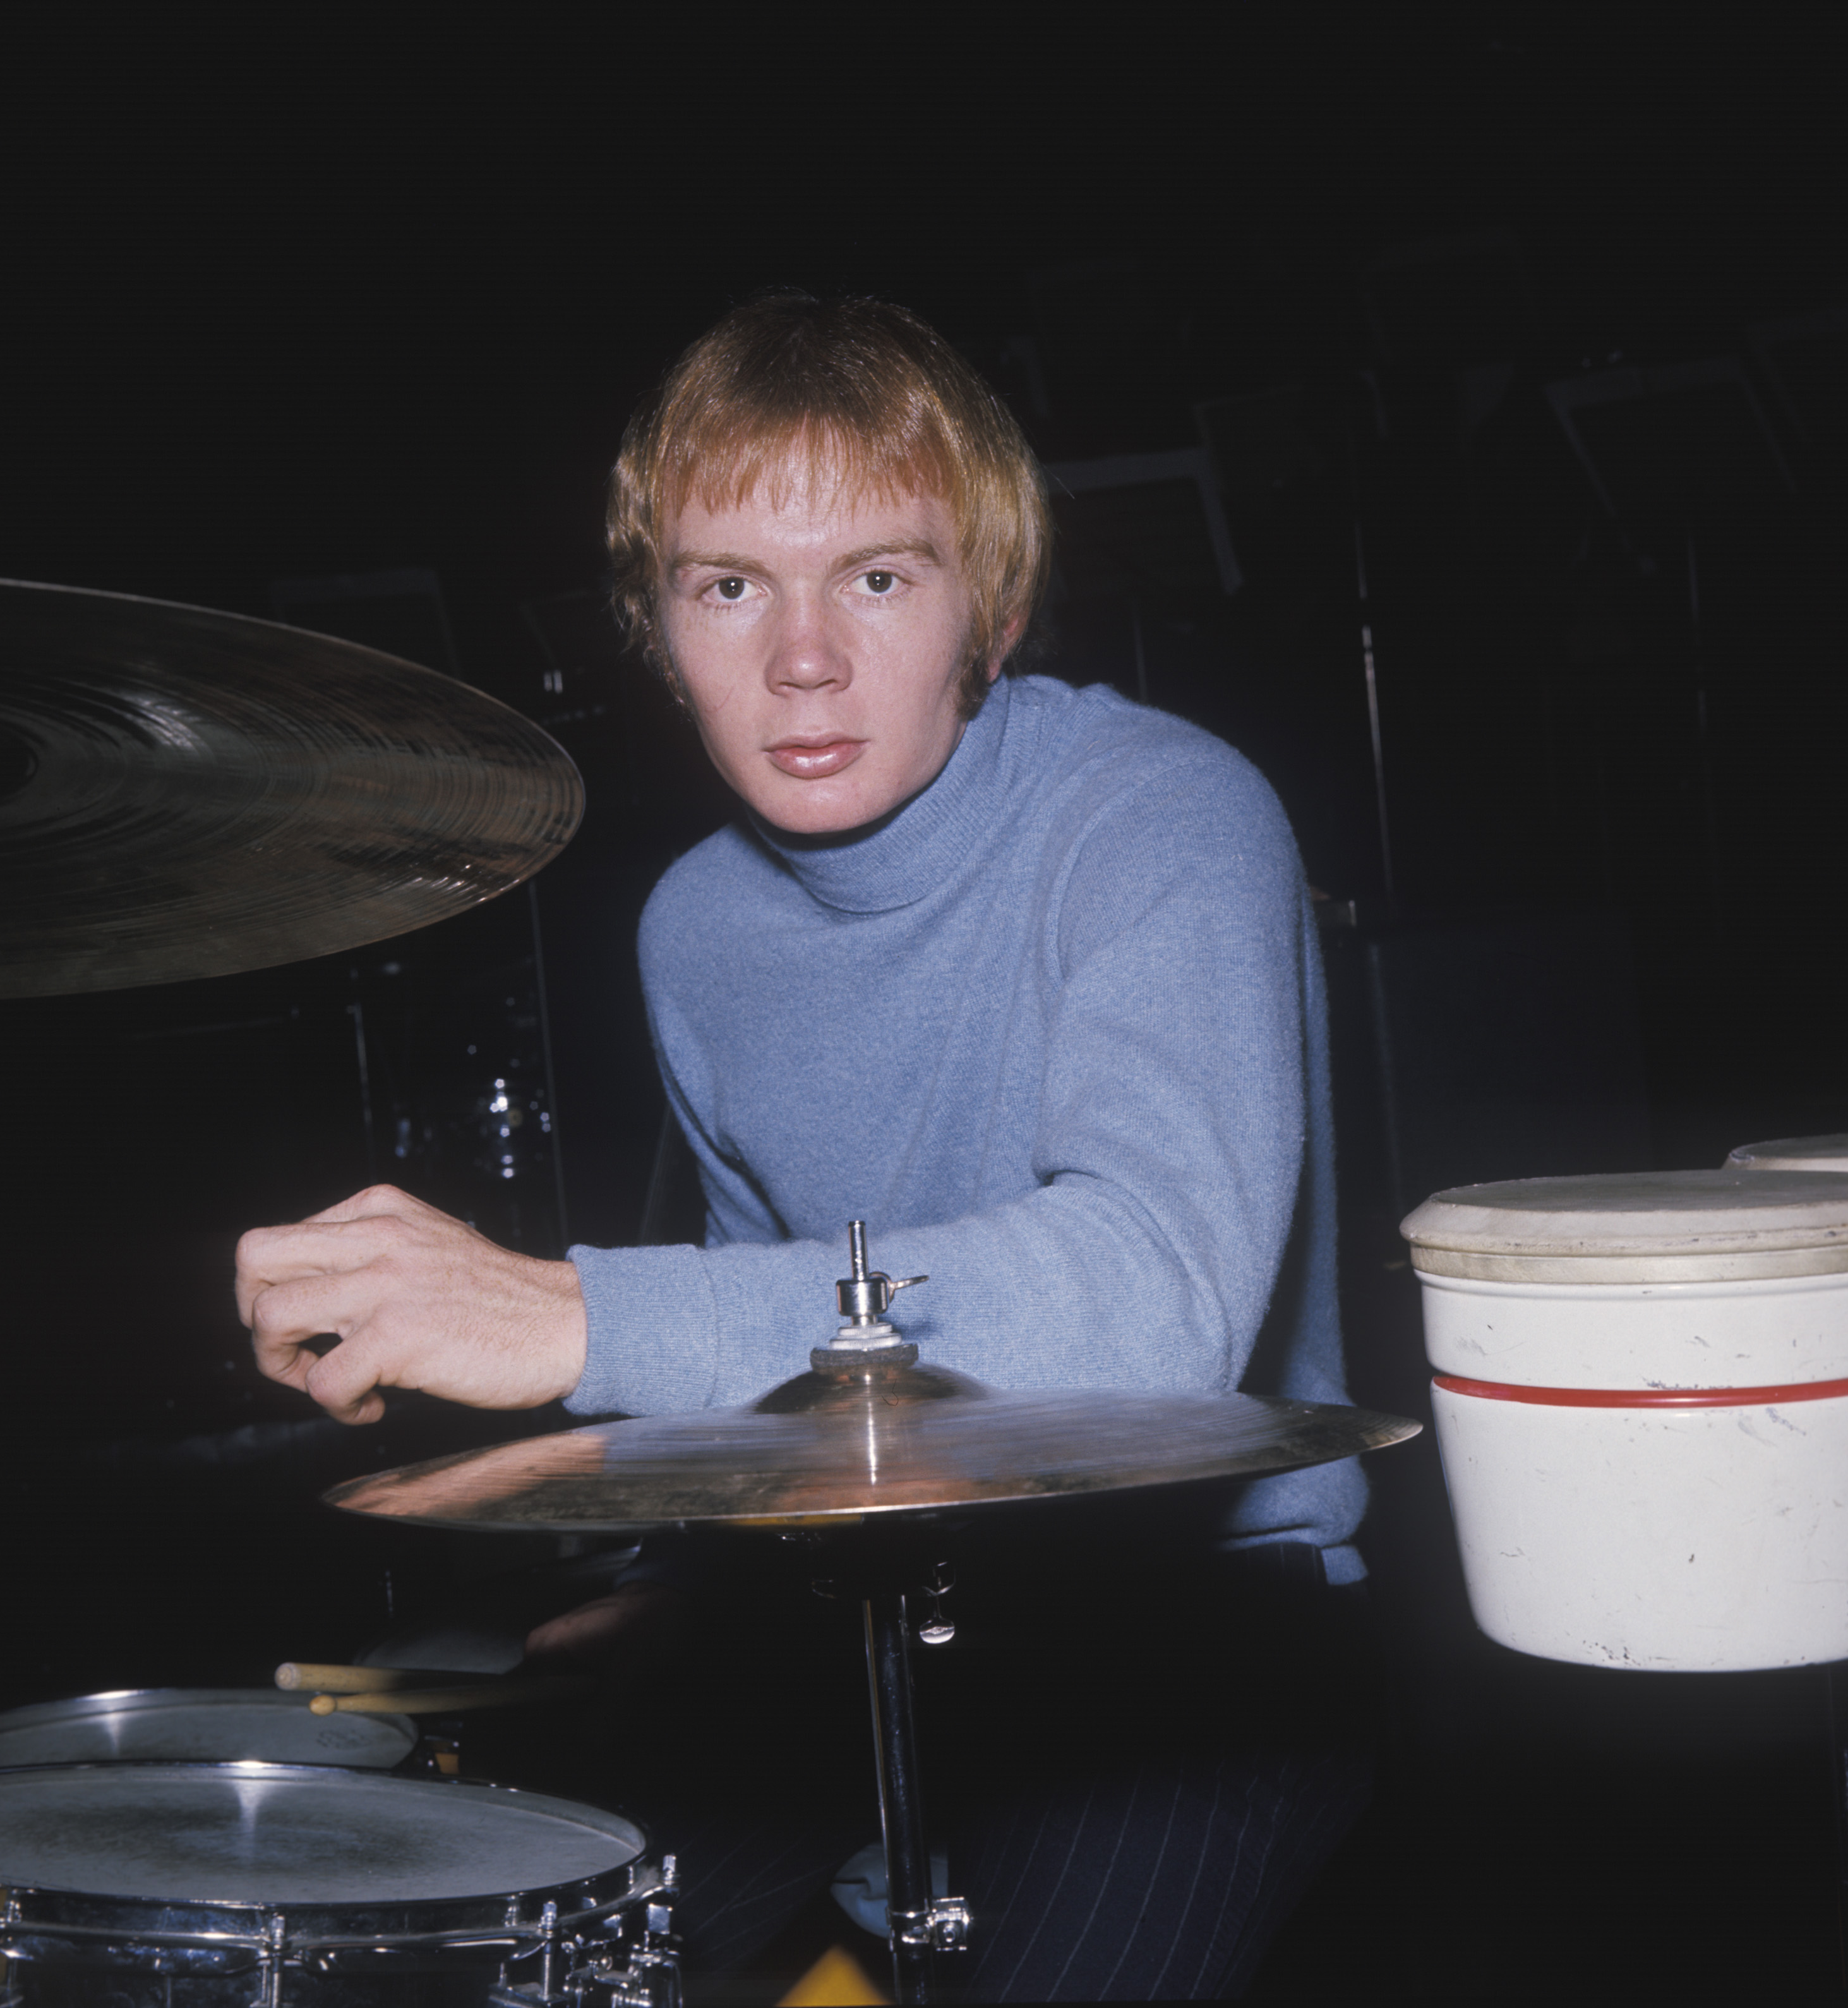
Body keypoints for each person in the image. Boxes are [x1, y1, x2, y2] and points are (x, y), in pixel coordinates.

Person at [236, 294, 1374, 1999]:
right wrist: (680, 1578)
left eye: (878, 574)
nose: (803, 660)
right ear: (656, 625)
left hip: (1187, 1630)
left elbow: (1159, 1310)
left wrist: (579, 1318)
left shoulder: (1164, 815)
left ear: (986, 599)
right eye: (728, 586)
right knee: (519, 1959)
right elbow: (784, 1381)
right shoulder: (696, 927)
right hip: (854, 1613)